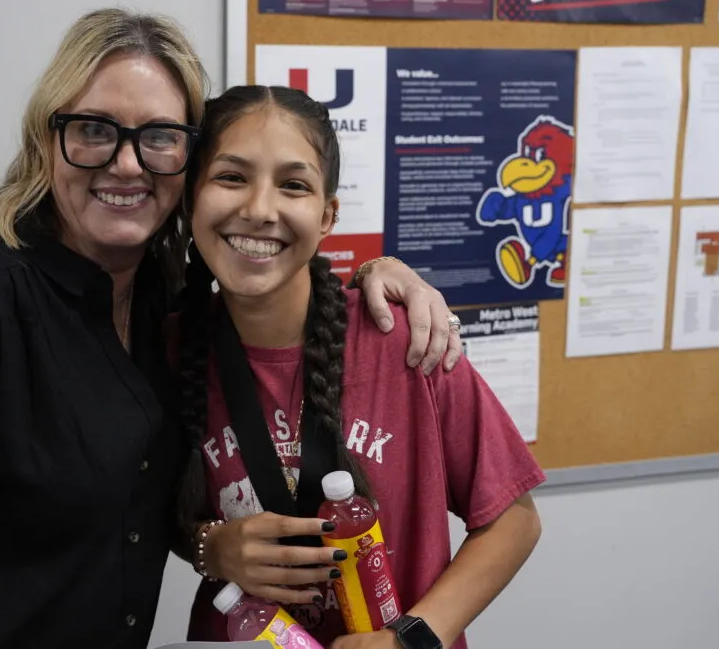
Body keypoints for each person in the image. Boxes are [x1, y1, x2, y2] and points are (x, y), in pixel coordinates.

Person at [0, 9, 462, 649]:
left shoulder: (169, 305)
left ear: (187, 161)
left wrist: (381, 270)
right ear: (47, 138)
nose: (127, 164)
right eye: (94, 129)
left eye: (158, 136)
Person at [174, 85, 545, 649]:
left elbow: (513, 519)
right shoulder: (169, 350)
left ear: (326, 216)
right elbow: (144, 515)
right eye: (231, 177)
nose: (259, 208)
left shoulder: (406, 338)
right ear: (190, 199)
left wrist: (413, 636)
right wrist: (211, 546)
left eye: (293, 185)